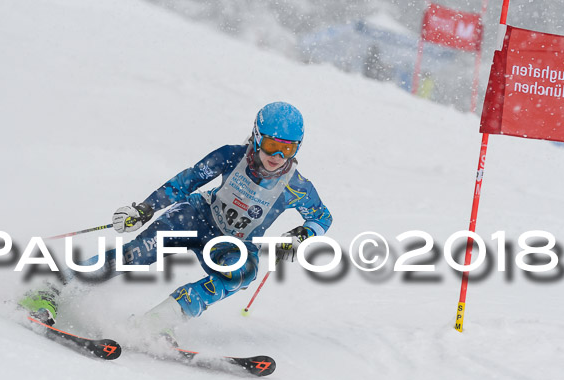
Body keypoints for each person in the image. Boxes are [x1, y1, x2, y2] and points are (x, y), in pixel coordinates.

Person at [20, 102, 332, 346]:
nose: (277, 155)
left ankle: (156, 322)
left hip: (232, 244)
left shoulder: (296, 186)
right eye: (271, 145)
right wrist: (145, 208)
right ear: (257, 136)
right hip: (196, 218)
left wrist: (303, 234)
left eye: (288, 148)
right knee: (136, 255)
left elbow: (322, 217)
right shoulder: (231, 156)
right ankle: (50, 288)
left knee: (242, 273)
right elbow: (186, 181)